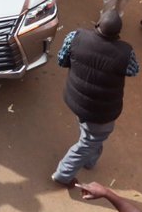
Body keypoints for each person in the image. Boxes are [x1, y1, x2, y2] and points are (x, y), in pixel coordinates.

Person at [51, 10, 137, 186]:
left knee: (91, 133)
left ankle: (89, 161)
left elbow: (62, 60)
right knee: (90, 141)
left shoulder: (75, 36)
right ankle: (63, 174)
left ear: (97, 25)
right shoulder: (126, 52)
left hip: (75, 98)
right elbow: (133, 71)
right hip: (101, 111)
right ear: (118, 35)